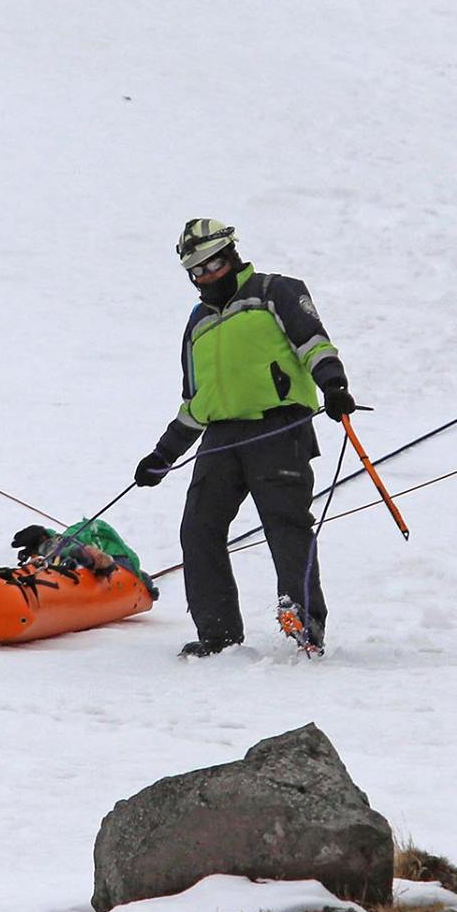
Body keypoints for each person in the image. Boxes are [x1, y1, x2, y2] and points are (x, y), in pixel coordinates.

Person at [134, 219, 356, 657]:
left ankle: (304, 621)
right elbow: (195, 402)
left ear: (231, 254)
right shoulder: (197, 323)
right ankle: (217, 634)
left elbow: (313, 344)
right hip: (221, 438)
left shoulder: (276, 291)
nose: (206, 276)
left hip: (279, 426)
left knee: (285, 522)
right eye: (195, 271)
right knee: (198, 528)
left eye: (213, 263)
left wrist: (333, 385)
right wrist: (161, 456)